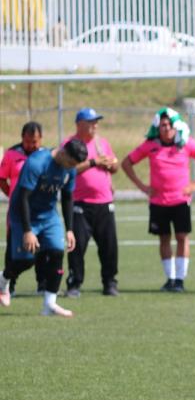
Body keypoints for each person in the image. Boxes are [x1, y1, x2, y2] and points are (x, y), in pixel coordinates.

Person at [121, 108, 195, 292]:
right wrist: (142, 187)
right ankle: (169, 279)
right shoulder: (150, 145)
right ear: (158, 127)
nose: (166, 128)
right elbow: (126, 162)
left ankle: (180, 280)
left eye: (169, 125)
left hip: (180, 200)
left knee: (182, 237)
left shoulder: (186, 144)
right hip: (158, 202)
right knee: (164, 238)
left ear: (176, 126)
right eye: (163, 125)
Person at [0, 140, 88, 317]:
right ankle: (3, 279)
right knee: (26, 260)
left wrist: (69, 229)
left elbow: (67, 197)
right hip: (23, 215)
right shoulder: (37, 163)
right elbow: (23, 197)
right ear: (63, 153)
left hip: (48, 216)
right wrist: (27, 231)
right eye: (71, 163)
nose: (72, 168)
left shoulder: (69, 168)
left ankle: (49, 304)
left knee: (57, 252)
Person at [63, 108, 120, 297]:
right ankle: (74, 283)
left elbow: (115, 166)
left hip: (104, 203)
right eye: (91, 122)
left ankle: (110, 283)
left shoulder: (101, 143)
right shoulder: (70, 145)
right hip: (80, 203)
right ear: (79, 124)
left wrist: (112, 165)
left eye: (96, 122)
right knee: (77, 247)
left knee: (109, 246)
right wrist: (93, 162)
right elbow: (68, 168)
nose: (95, 125)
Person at [0, 121, 47, 295]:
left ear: (41, 139)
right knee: (13, 246)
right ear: (22, 138)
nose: (31, 145)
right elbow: (2, 179)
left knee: (43, 246)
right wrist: (13, 197)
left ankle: (42, 283)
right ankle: (8, 286)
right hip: (17, 212)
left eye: (34, 141)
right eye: (28, 141)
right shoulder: (12, 154)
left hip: (40, 210)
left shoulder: (45, 155)